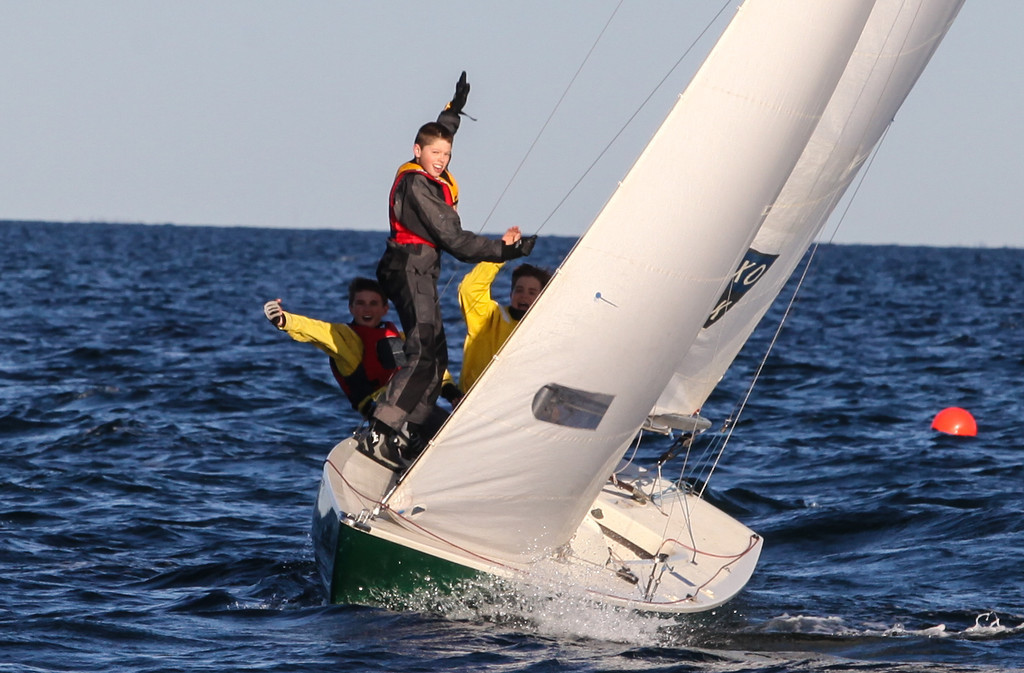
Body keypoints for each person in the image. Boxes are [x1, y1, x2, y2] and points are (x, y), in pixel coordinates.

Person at [360, 71, 536, 464]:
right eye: (434, 154)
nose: (441, 161)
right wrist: (506, 252)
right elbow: (455, 241)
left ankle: (416, 425)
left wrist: (453, 110)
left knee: (436, 357)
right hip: (407, 270)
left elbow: (442, 131)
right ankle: (382, 431)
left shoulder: (430, 164)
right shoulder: (418, 187)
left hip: (418, 271)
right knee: (423, 354)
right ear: (416, 151)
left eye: (447, 155)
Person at [263, 278, 455, 421]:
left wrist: (450, 392)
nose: (367, 310)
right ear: (351, 308)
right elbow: (314, 330)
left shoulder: (397, 336)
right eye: (360, 304)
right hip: (380, 412)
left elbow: (428, 364)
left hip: (414, 405)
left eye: (373, 303)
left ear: (385, 309)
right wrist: (283, 319)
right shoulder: (344, 338)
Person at [451, 262, 552, 397]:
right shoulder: (490, 316)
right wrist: (500, 254)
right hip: (473, 405)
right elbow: (469, 289)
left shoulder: (546, 332)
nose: (524, 296)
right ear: (511, 294)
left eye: (532, 292)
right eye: (519, 290)